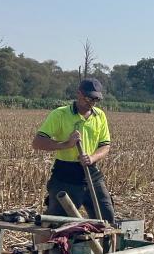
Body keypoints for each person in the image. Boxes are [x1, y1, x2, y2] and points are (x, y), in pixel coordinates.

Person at [31, 78, 116, 224]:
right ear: (79, 94)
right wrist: (67, 144)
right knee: (56, 223)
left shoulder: (99, 115)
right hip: (65, 175)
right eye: (89, 97)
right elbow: (38, 142)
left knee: (107, 218)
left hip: (91, 173)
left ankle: (104, 246)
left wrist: (92, 157)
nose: (91, 102)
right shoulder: (60, 114)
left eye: (96, 99)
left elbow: (105, 146)